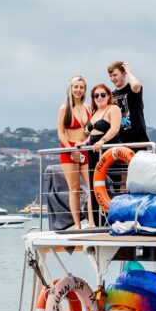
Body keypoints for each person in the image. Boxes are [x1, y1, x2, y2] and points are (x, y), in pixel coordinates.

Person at [78, 84, 122, 215]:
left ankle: (115, 215)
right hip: (93, 153)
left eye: (102, 94)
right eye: (96, 95)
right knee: (94, 186)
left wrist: (102, 141)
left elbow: (114, 128)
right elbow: (91, 134)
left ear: (109, 96)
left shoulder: (113, 108)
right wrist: (83, 143)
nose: (99, 97)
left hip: (108, 151)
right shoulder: (94, 112)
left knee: (111, 185)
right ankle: (98, 219)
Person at [57, 76, 93, 229]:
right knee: (74, 188)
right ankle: (77, 225)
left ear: (84, 90)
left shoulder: (87, 107)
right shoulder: (64, 108)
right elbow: (60, 132)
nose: (78, 90)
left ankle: (92, 222)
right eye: (76, 87)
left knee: (91, 186)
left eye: (81, 87)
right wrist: (71, 150)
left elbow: (91, 129)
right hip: (68, 149)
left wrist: (86, 140)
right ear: (70, 88)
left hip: (84, 148)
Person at [108, 61, 148, 145]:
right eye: (110, 76)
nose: (112, 78)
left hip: (137, 140)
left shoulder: (131, 89)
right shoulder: (110, 96)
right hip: (119, 141)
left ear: (123, 73)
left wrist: (128, 72)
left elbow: (136, 85)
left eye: (115, 75)